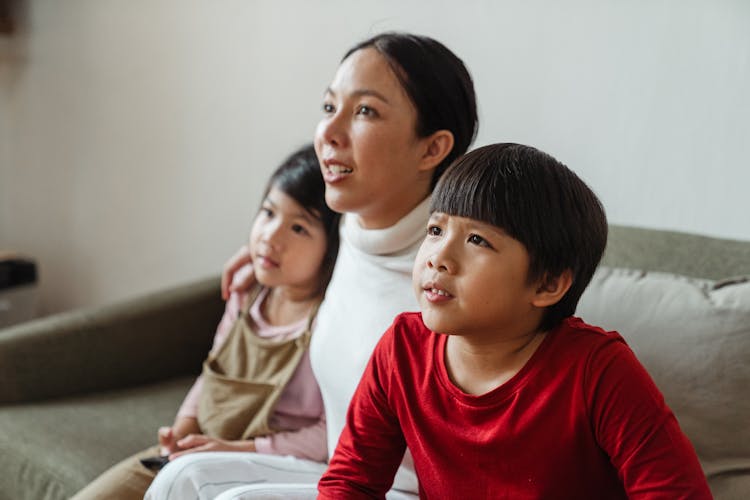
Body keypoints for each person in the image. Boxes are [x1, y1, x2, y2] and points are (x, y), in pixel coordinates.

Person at [145, 32, 478, 500]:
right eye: (328, 108)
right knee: (181, 478)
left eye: (365, 111)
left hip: (409, 489)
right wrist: (265, 260)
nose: (329, 132)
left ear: (431, 148)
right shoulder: (351, 229)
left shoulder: (453, 267)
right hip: (340, 469)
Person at [318, 143, 713, 499]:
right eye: (436, 229)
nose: (439, 256)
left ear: (548, 283)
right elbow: (351, 482)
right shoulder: (403, 347)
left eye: (477, 240)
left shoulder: (600, 371)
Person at [72, 144, 340, 500]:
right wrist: (182, 430)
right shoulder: (249, 293)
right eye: (268, 212)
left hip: (265, 464)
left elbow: (328, 434)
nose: (270, 237)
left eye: (298, 228)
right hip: (197, 448)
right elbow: (212, 374)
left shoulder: (331, 322)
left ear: (333, 247)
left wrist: (234, 451)